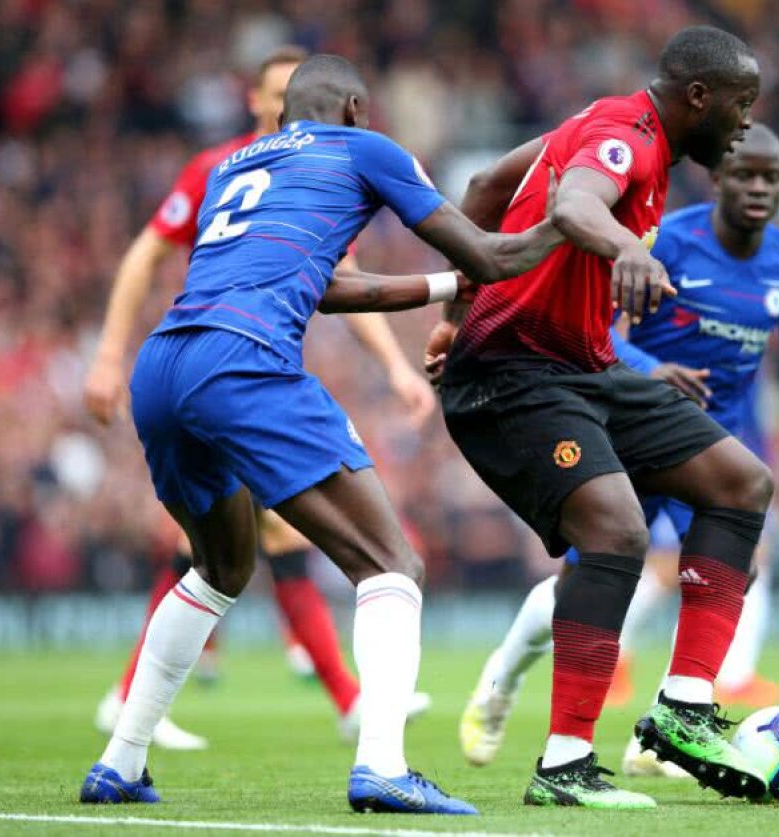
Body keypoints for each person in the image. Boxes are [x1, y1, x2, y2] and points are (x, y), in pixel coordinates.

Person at [78, 53, 562, 814]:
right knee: (391, 562)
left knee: (219, 568)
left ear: (282, 115)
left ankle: (120, 761)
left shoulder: (233, 167)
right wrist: (568, 229)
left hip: (164, 365)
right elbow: (490, 251)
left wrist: (441, 287)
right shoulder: (366, 149)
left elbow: (330, 286)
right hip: (244, 364)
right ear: (358, 109)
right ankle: (383, 764)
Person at [430, 25, 771, 809]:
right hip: (512, 374)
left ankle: (684, 709)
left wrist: (456, 312)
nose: (745, 122)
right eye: (740, 105)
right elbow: (575, 201)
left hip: (583, 366)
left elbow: (486, 186)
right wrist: (625, 246)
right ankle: (564, 764)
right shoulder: (628, 139)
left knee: (739, 482)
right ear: (698, 98)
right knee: (615, 530)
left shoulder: (597, 122)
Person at [456, 125, 779, 779]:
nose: (757, 188)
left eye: (771, 178)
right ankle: (500, 680)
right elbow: (596, 328)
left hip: (706, 449)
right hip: (627, 429)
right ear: (718, 178)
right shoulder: (665, 240)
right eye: (745, 174)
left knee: (732, 569)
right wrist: (648, 368)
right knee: (584, 581)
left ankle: (666, 727)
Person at [83, 46, 433, 750]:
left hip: (198, 367)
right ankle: (350, 708)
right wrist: (105, 353)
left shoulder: (310, 164)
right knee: (269, 546)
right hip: (230, 366)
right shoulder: (238, 165)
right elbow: (145, 253)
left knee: (243, 549)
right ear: (263, 105)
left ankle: (130, 733)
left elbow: (343, 279)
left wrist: (395, 365)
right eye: (284, 98)